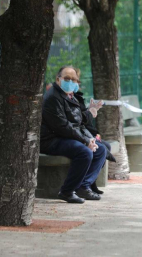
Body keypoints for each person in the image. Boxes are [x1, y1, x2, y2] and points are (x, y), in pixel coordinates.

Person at [40, 66, 107, 204]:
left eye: (74, 79)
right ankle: (67, 191)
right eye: (67, 78)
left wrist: (90, 138)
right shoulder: (53, 97)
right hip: (51, 139)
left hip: (66, 136)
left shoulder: (70, 95)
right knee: (84, 152)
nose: (71, 82)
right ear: (58, 79)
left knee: (101, 149)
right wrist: (85, 141)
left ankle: (84, 185)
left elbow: (78, 122)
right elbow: (63, 127)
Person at [72, 70, 117, 195]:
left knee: (105, 146)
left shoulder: (76, 97)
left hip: (79, 133)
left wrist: (91, 111)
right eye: (69, 79)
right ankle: (84, 185)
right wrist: (89, 112)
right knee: (101, 149)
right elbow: (74, 121)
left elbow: (81, 119)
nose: (74, 83)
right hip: (71, 136)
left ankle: (90, 182)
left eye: (75, 80)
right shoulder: (64, 98)